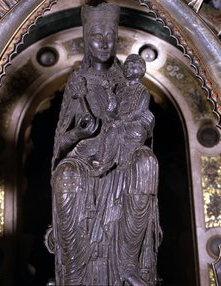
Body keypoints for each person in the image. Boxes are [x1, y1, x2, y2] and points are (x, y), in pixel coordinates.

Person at [51, 3, 162, 286]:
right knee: (65, 175)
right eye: (97, 36)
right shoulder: (77, 82)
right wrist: (78, 132)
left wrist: (142, 128)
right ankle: (75, 273)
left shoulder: (128, 81)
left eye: (110, 35)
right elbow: (62, 142)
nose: (104, 43)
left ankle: (127, 263)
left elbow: (140, 122)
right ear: (86, 38)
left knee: (146, 162)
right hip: (83, 157)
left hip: (122, 154)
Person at [91, 53, 155, 176]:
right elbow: (113, 108)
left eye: (132, 66)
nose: (128, 68)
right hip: (119, 122)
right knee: (108, 128)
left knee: (114, 129)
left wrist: (122, 121)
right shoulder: (121, 89)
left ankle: (105, 164)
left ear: (141, 69)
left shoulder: (142, 91)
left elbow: (139, 112)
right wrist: (109, 91)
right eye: (126, 66)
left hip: (133, 124)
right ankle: (103, 161)